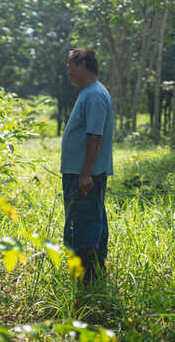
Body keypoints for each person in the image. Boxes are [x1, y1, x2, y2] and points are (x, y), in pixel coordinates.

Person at [61, 47, 114, 285]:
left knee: (82, 226)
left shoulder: (93, 95)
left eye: (70, 66)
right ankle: (94, 277)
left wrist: (85, 174)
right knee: (91, 221)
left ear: (81, 65)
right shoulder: (89, 93)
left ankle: (88, 281)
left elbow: (95, 137)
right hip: (81, 173)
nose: (68, 71)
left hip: (84, 175)